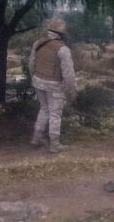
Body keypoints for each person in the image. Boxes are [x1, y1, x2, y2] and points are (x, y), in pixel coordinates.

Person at [28, 18, 77, 154]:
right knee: (55, 114)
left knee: (44, 109)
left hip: (38, 81)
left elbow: (31, 64)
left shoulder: (38, 43)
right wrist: (71, 91)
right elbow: (69, 75)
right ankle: (54, 144)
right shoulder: (63, 49)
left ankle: (36, 139)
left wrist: (34, 78)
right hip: (55, 86)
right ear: (62, 33)